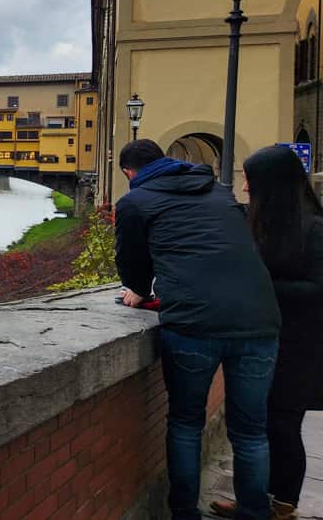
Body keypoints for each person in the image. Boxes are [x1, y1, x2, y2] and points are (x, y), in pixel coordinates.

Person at [114, 139, 280, 520]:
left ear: (129, 173)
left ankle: (185, 513)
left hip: (193, 323)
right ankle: (255, 512)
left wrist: (138, 292)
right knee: (252, 430)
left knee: (186, 423)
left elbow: (132, 260)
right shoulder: (218, 192)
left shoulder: (135, 202)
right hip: (258, 318)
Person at [212, 146, 323, 519]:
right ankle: (254, 499)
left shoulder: (315, 228)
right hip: (260, 340)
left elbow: (317, 289)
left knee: (282, 425)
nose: (245, 188)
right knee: (253, 424)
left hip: (300, 346)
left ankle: (283, 503)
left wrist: (260, 283)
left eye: (251, 180)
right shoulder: (262, 222)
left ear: (272, 185)